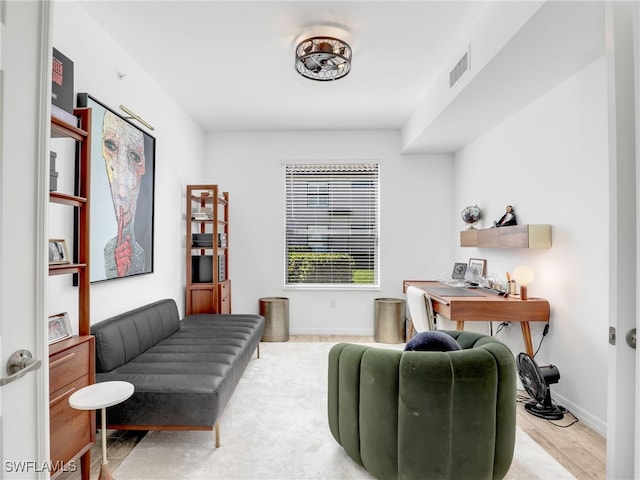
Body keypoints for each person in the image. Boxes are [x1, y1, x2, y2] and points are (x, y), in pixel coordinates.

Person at [101, 110, 146, 278]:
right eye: (111, 146)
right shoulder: (109, 250)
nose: (122, 191)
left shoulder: (139, 253)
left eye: (134, 156)